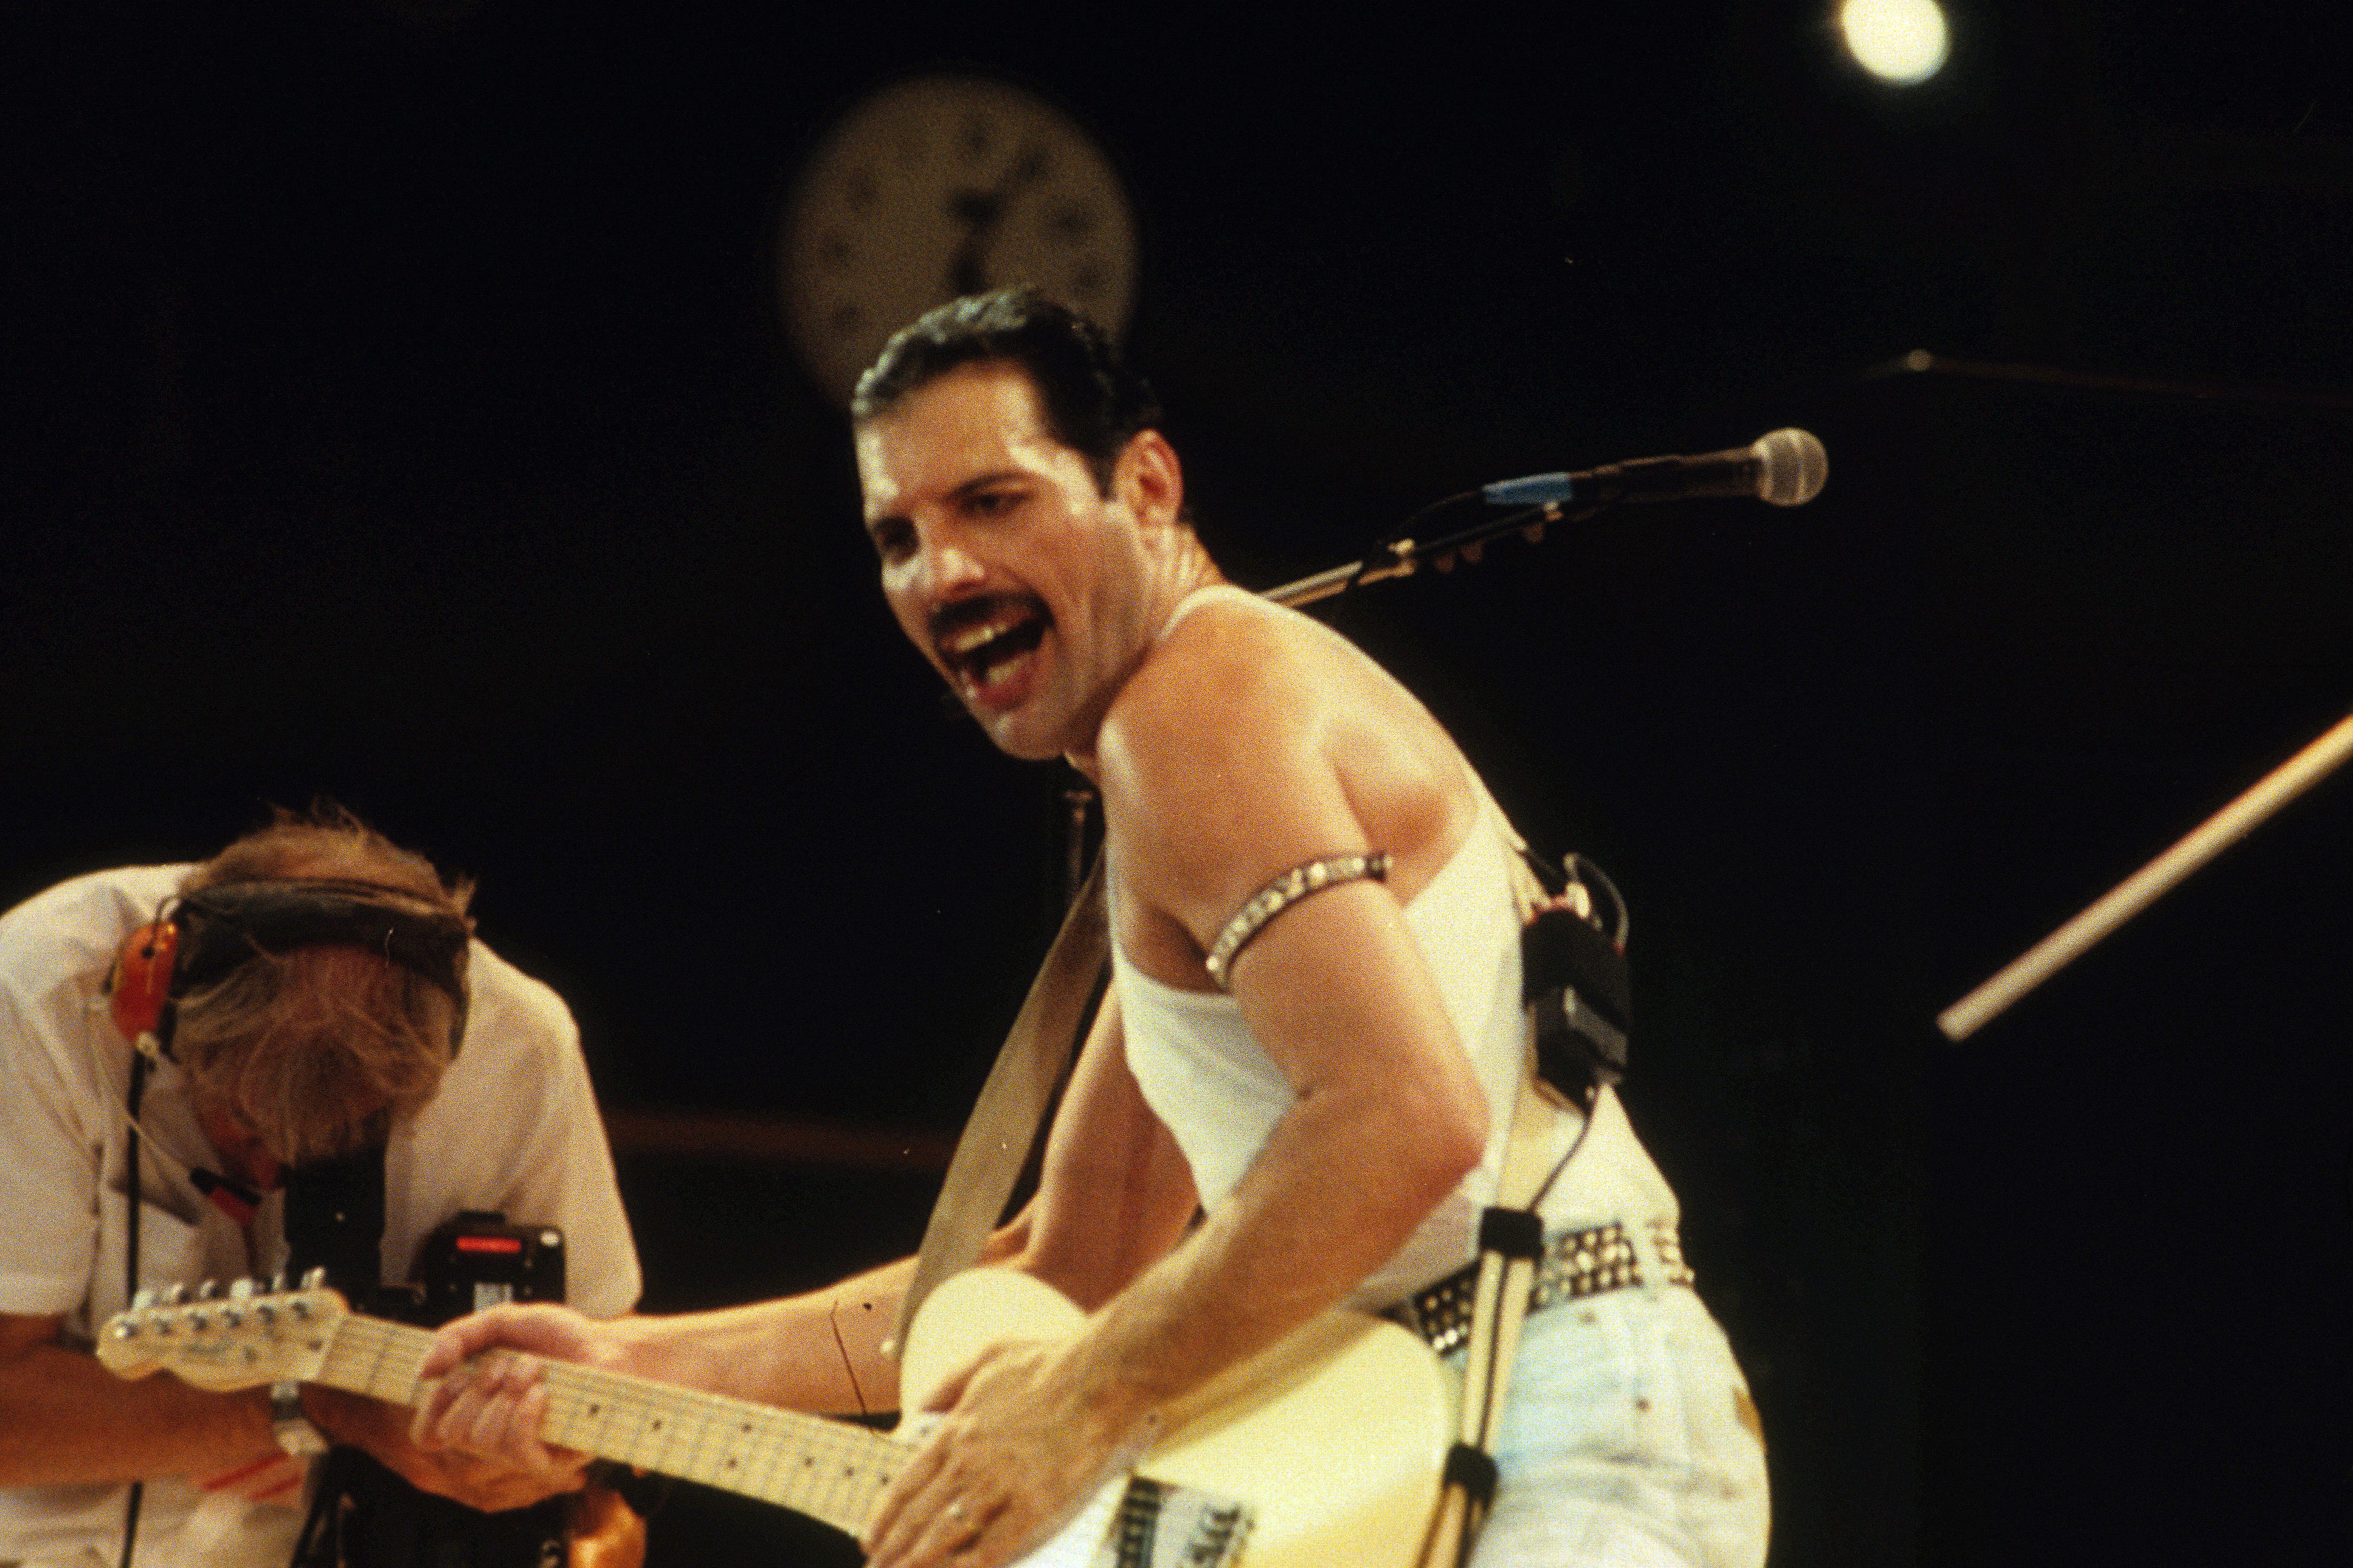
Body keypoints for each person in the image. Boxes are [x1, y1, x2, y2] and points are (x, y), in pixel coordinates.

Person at [415, 290, 1769, 1568]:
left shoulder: (1192, 708)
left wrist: (1074, 1410)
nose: (945, 570)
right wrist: (622, 1366)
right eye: (898, 536)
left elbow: (1401, 1119)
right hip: (1499, 1420)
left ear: (1149, 487)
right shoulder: (1192, 767)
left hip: (1545, 1434)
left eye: (995, 501)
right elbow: (1067, 1262)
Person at [0, 808, 642, 1568]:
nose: (272, 1176)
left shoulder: (521, 1047)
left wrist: (547, 1470)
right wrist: (325, 1405)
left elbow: (602, 1375)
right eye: (245, 1127)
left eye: (339, 1140)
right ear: (154, 1000)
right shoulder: (36, 996)